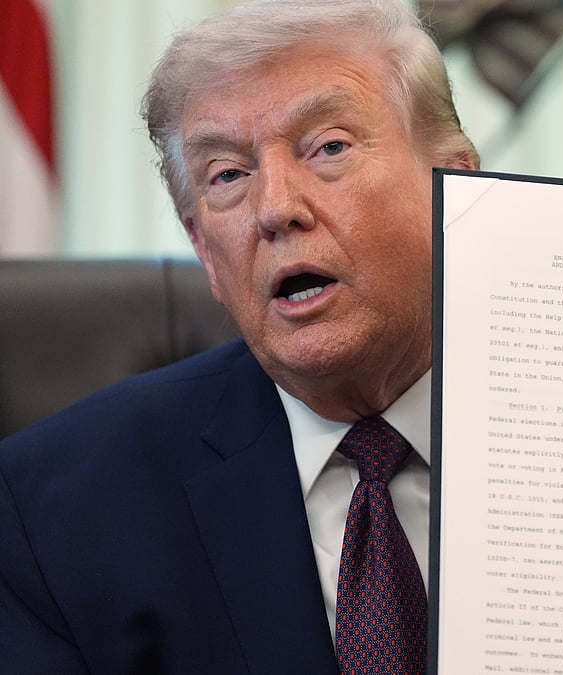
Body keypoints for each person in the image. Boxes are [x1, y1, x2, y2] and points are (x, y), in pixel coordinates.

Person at [0, 0, 477, 672]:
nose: (275, 208)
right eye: (228, 175)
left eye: (329, 146)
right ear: (203, 248)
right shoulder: (50, 513)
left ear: (454, 186)